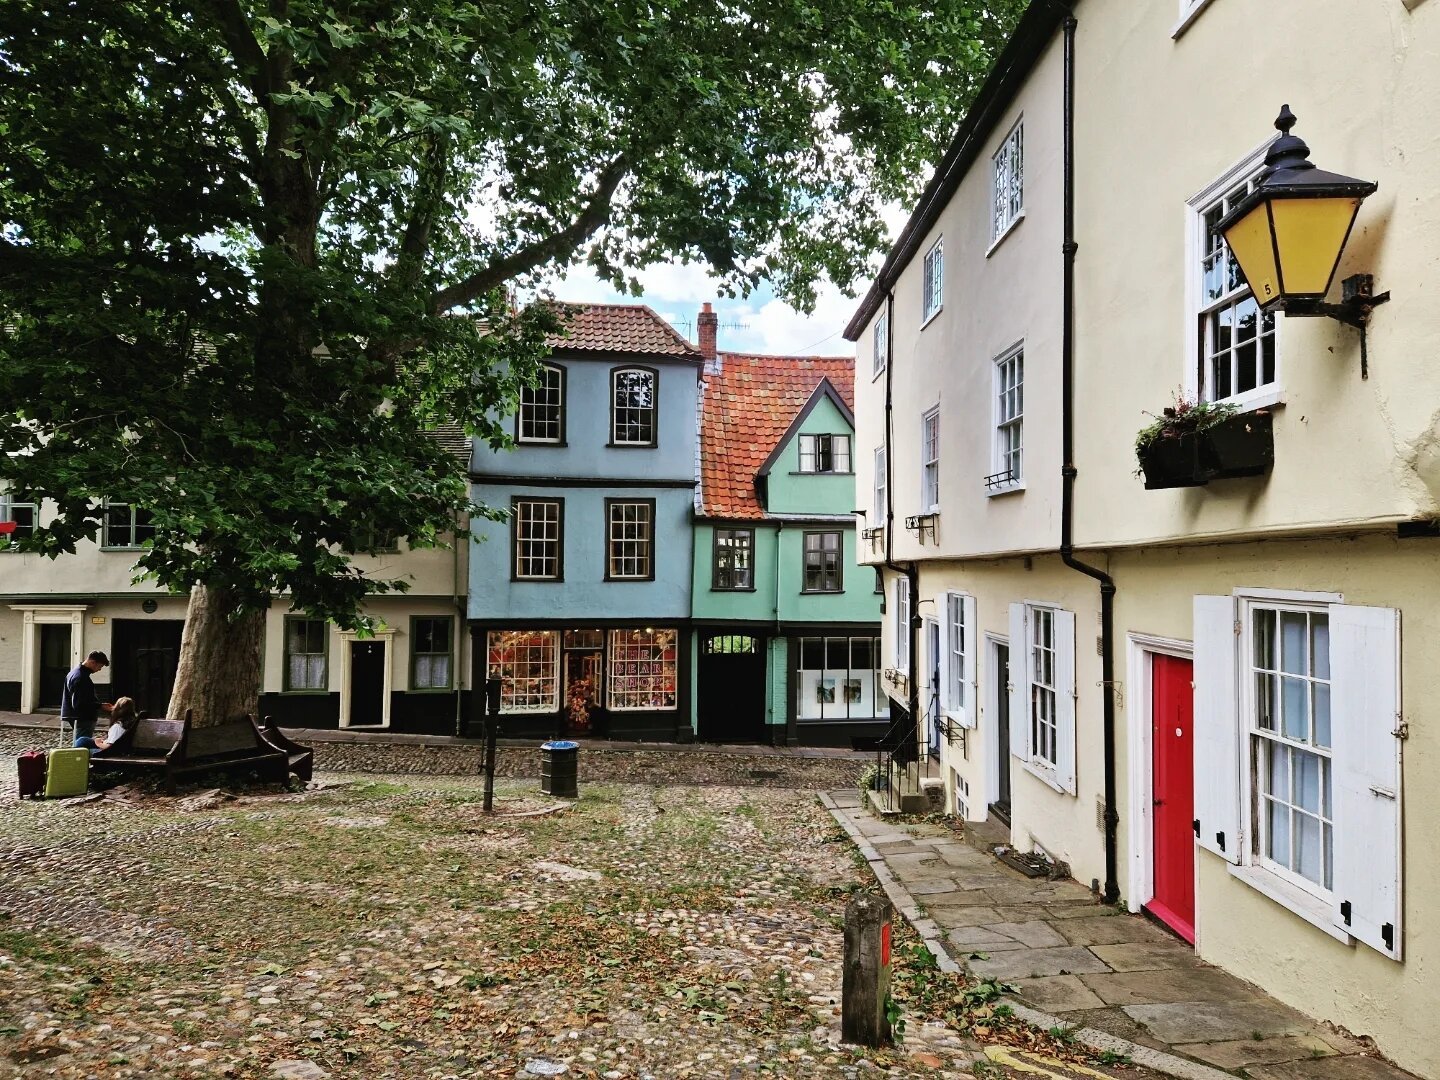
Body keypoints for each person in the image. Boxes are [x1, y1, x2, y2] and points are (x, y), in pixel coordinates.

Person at [61, 650, 112, 746]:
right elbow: (80, 703)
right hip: (83, 717)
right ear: (93, 662)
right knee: (81, 745)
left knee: (80, 742)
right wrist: (100, 706)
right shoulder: (81, 677)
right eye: (99, 666)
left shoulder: (74, 673)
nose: (99, 670)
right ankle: (78, 760)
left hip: (75, 715)